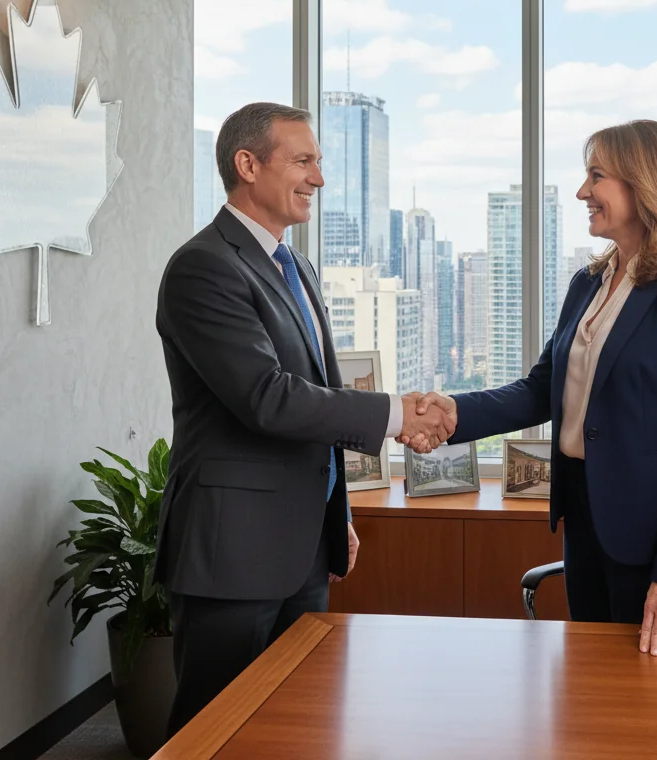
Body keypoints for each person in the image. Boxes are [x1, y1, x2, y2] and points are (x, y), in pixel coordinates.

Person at [155, 103, 452, 734]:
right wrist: (399, 414)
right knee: (214, 729)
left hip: (300, 550)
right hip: (232, 553)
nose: (319, 178)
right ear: (247, 165)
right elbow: (268, 397)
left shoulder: (295, 265)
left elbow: (320, 388)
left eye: (318, 162)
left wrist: (335, 510)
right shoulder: (204, 266)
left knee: (293, 726)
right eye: (303, 160)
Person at [409, 120, 657, 657]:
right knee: (591, 692)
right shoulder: (590, 282)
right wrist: (452, 412)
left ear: (644, 183)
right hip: (586, 520)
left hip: (656, 542)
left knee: (655, 708)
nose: (583, 192)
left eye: (597, 177)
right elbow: (543, 389)